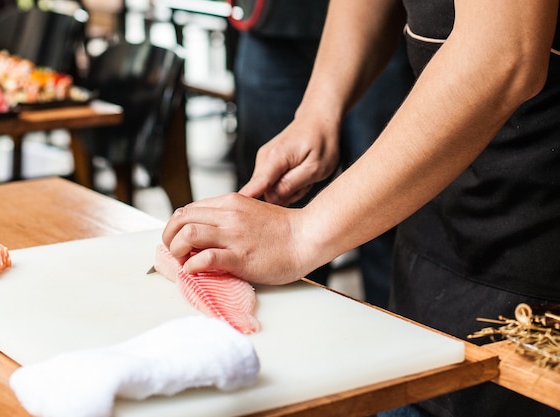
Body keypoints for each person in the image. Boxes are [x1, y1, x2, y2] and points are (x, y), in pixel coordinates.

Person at [162, 1, 560, 416]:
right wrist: (319, 109)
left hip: (536, 239)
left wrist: (302, 234)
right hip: (442, 232)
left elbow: (503, 53)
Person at [231, 0, 414, 306]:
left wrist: (302, 236)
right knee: (271, 201)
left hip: (390, 27)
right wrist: (315, 114)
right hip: (273, 21)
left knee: (384, 224)